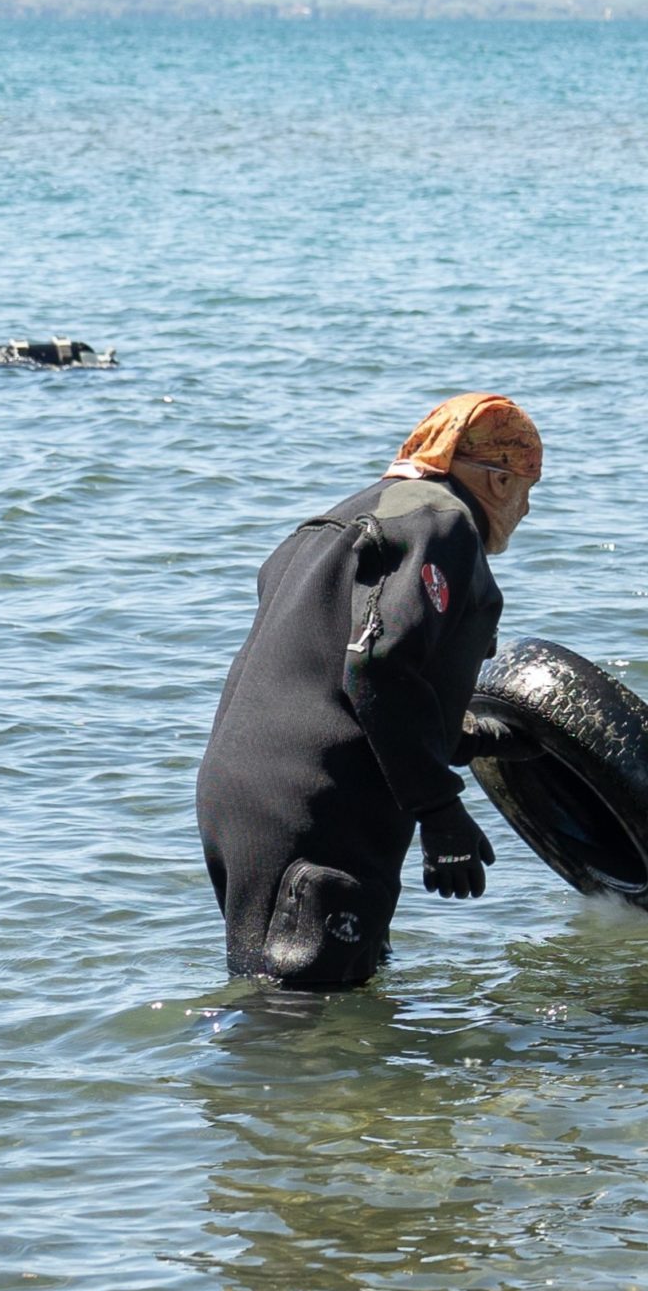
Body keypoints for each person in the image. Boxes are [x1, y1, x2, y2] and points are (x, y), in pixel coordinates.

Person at [197, 393, 543, 987]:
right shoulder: (443, 521)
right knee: (303, 1019)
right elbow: (378, 670)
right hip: (318, 804)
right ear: (494, 476)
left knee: (276, 990)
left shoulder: (332, 523)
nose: (527, 508)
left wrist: (475, 739)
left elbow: (338, 684)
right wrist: (440, 811)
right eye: (526, 486)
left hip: (241, 795)